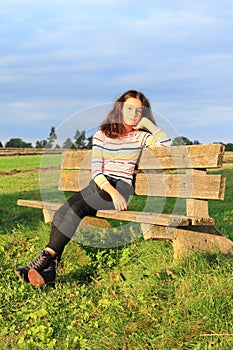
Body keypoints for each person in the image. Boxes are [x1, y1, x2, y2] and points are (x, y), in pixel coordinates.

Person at [15, 90, 171, 287]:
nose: (134, 114)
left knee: (76, 209)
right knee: (63, 210)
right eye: (129, 108)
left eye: (139, 111)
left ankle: (38, 263)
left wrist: (148, 124)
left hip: (121, 188)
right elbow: (97, 171)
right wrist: (111, 192)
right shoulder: (102, 134)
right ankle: (49, 270)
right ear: (120, 109)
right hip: (101, 185)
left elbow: (167, 146)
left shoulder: (141, 137)